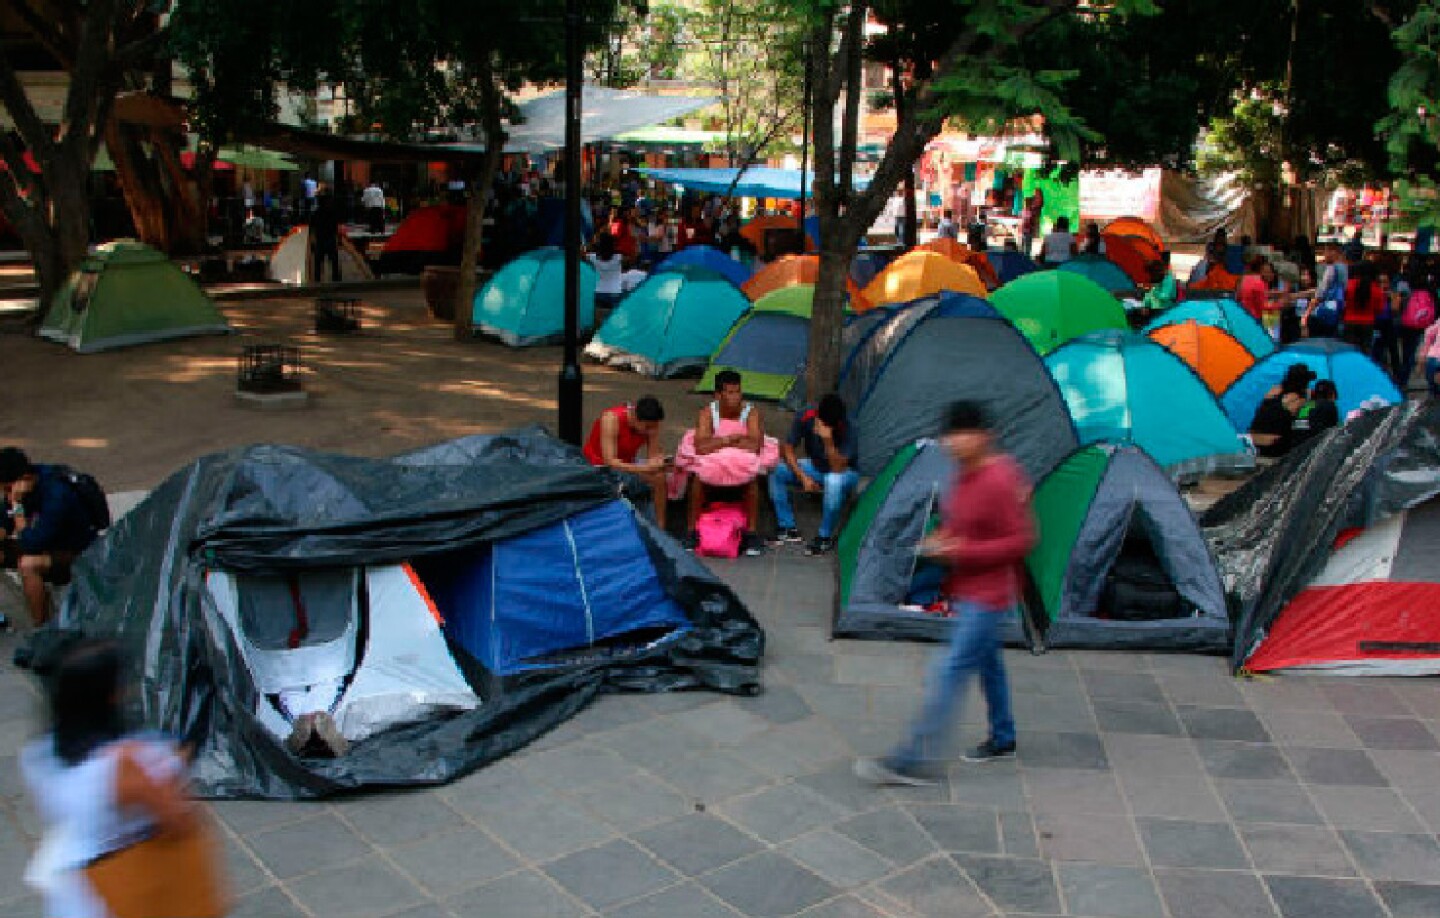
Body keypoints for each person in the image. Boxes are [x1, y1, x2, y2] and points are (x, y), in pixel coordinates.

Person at [854, 401, 1034, 786]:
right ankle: (1004, 737)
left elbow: (1022, 540)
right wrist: (944, 539)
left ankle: (912, 761)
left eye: (963, 433)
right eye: (950, 434)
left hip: (989, 595)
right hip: (965, 589)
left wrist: (963, 551)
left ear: (985, 437)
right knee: (989, 665)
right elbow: (963, 524)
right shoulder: (962, 474)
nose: (954, 442)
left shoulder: (1000, 478)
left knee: (949, 670)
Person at [20, 640, 224, 918]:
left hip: (71, 889)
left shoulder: (39, 753)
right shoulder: (123, 761)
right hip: (119, 889)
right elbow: (177, 819)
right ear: (108, 696)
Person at [674, 370, 780, 556]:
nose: (735, 397)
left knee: (752, 479)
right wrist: (729, 440)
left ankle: (751, 533)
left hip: (741, 465)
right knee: (697, 478)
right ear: (718, 395)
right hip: (714, 465)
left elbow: (755, 445)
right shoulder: (707, 413)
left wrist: (718, 443)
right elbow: (701, 447)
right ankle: (692, 531)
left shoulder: (751, 413)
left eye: (737, 392)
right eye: (729, 393)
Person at [1, 448, 101, 628]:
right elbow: (4, 521)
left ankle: (42, 627)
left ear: (24, 479)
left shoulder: (57, 495)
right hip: (45, 545)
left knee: (28, 565)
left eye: (8, 489)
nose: (7, 495)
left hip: (75, 551)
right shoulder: (24, 484)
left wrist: (17, 506)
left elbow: (30, 544)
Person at [769, 394, 860, 556]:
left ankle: (824, 536)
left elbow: (838, 468)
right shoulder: (806, 415)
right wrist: (803, 477)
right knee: (777, 470)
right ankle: (787, 527)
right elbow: (787, 448)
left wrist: (828, 440)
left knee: (833, 481)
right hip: (815, 466)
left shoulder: (850, 426)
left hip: (846, 472)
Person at [583, 397, 670, 530]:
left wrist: (659, 462)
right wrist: (644, 468)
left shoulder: (651, 425)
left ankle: (660, 526)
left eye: (653, 427)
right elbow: (610, 461)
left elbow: (652, 456)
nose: (650, 431)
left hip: (627, 464)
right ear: (635, 417)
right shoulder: (611, 419)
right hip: (600, 466)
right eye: (647, 427)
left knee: (660, 477)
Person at [1248, 365, 1313, 463]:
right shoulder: (1295, 399)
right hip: (1274, 445)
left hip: (1255, 442)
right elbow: (1300, 424)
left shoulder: (1273, 391)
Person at [1343, 261, 1381, 350]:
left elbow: (1342, 303)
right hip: (1368, 323)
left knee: (1349, 351)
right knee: (1365, 351)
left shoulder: (1348, 285)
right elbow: (1379, 309)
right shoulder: (1376, 289)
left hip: (1349, 322)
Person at [1293, 379, 1340, 444]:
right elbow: (1334, 430)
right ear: (1332, 394)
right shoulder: (1329, 406)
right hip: (1315, 443)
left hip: (1297, 444)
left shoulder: (1307, 405)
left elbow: (1297, 424)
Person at [309, 192, 342, 283]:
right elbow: (336, 227)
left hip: (320, 239)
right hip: (330, 238)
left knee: (318, 262)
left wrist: (312, 240)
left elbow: (312, 228)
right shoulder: (332, 212)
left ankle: (317, 280)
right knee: (334, 261)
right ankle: (335, 279)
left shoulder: (316, 213)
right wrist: (338, 238)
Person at [587, 232, 625, 309]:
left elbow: (580, 253)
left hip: (599, 291)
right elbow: (634, 255)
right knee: (614, 319)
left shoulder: (592, 257)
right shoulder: (619, 257)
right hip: (615, 292)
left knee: (599, 319)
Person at [1018, 191, 1042, 257]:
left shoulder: (1022, 212)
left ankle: (1022, 257)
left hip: (1024, 230)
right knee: (1027, 246)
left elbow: (1021, 221)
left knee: (1023, 246)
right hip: (1028, 230)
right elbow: (1030, 221)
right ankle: (1026, 258)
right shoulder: (1031, 212)